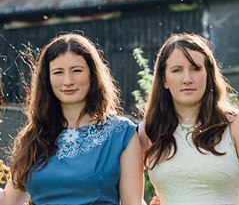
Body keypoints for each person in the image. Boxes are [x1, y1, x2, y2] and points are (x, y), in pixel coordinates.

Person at [0, 33, 144, 205]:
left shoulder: (122, 134)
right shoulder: (35, 136)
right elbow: (8, 201)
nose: (68, 81)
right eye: (58, 72)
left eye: (77, 70)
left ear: (93, 74)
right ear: (47, 79)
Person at [138, 33, 239, 205]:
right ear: (164, 80)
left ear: (208, 74)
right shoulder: (148, 131)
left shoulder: (238, 125)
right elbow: (128, 195)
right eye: (177, 70)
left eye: (195, 68)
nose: (187, 79)